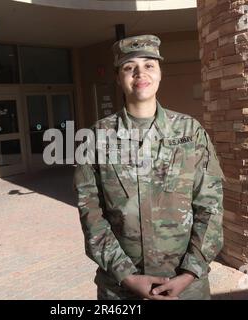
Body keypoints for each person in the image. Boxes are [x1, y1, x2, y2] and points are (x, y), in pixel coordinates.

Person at [74, 35, 224, 300]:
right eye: (129, 67)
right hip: (121, 288)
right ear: (119, 77)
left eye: (149, 65)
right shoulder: (96, 138)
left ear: (160, 73)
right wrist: (128, 276)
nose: (139, 73)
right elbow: (91, 214)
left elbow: (210, 206)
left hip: (186, 286)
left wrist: (189, 273)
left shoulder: (190, 132)